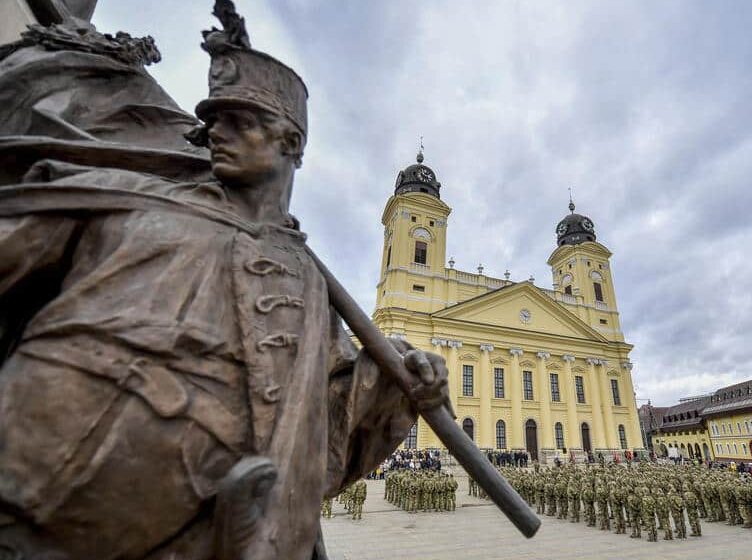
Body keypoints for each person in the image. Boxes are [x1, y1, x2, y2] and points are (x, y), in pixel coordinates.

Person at [0, 3, 450, 559]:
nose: (217, 133)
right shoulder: (128, 199)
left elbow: (321, 426)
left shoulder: (308, 284)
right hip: (27, 498)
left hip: (190, 537)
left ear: (290, 143)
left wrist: (395, 382)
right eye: (215, 121)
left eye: (242, 122)